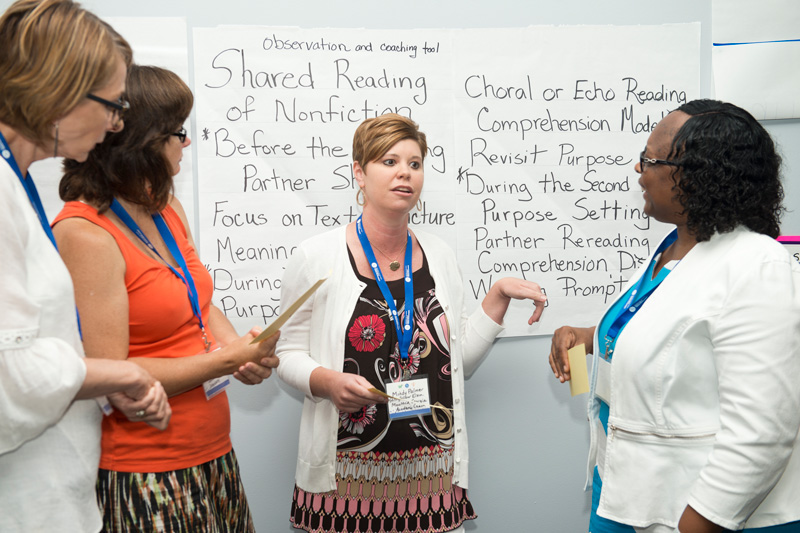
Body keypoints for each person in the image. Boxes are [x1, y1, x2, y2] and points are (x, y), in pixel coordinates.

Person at [277, 113, 548, 533]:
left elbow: (458, 362)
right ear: (359, 173)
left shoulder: (438, 254)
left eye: (415, 163)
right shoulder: (315, 257)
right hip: (345, 480)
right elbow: (287, 352)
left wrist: (496, 299)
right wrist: (326, 381)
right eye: (389, 161)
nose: (405, 172)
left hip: (432, 474)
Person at [549, 99, 800, 533]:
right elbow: (675, 338)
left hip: (698, 514)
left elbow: (764, 431)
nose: (638, 170)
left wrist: (699, 524)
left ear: (696, 175)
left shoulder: (758, 267)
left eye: (649, 159)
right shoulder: (672, 248)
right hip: (627, 491)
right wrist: (588, 336)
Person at [52, 64, 280, 532]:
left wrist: (237, 352)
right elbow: (110, 373)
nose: (186, 143)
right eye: (177, 132)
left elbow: (195, 300)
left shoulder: (164, 206)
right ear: (140, 142)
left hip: (213, 452)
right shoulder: (85, 233)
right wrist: (222, 361)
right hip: (145, 471)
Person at [0, 1, 171, 531]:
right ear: (61, 91)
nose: (117, 122)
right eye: (112, 104)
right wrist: (111, 371)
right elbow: (8, 374)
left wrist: (92, 380)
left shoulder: (19, 185)